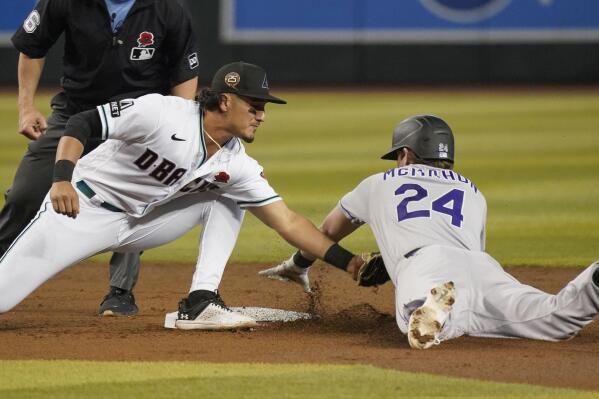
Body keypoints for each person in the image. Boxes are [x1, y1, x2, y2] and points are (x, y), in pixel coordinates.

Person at [0, 61, 366, 330]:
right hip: (81, 210)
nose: (262, 115)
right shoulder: (163, 113)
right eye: (254, 105)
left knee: (224, 195)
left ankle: (200, 302)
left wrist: (349, 263)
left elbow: (287, 221)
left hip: (140, 223)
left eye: (264, 107)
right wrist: (62, 177)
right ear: (225, 101)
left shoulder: (235, 161)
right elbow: (83, 122)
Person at [260, 115, 599, 349]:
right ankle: (592, 281)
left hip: (425, 265)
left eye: (397, 155)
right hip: (481, 266)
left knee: (416, 322)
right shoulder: (473, 191)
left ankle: (436, 310)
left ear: (405, 154)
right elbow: (469, 250)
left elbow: (328, 232)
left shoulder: (377, 183)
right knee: (553, 318)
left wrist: (299, 264)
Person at [6, 0, 200, 316]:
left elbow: (184, 71)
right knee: (25, 195)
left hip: (135, 124)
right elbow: (31, 47)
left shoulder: (168, 9)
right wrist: (26, 107)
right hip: (74, 113)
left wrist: (176, 128)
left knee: (132, 201)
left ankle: (120, 293)